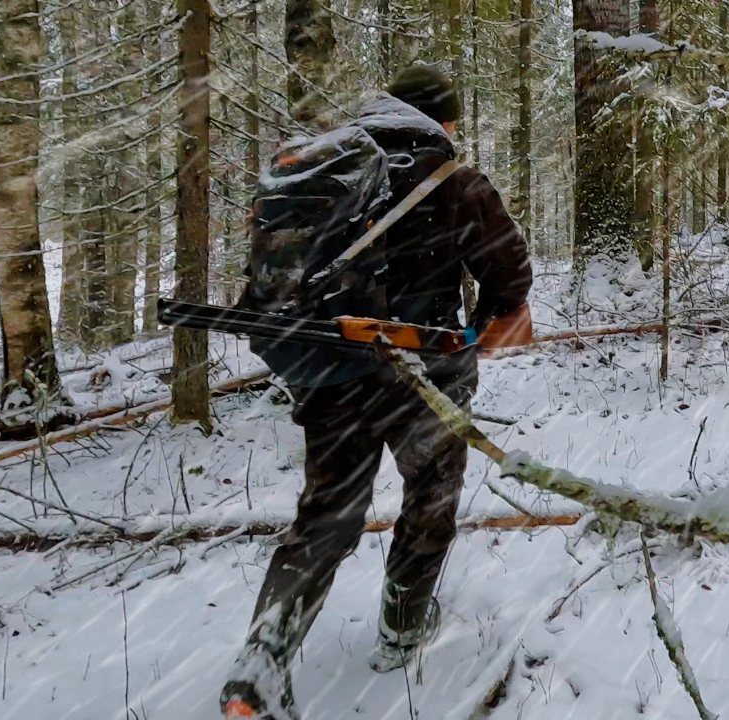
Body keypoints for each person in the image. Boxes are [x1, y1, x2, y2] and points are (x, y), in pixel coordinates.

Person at [221, 65, 532, 720]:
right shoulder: (454, 182)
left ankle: (263, 657)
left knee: (326, 516)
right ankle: (402, 626)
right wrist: (480, 325)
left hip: (331, 375)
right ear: (438, 121)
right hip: (425, 376)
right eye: (452, 122)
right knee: (431, 496)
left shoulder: (322, 173)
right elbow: (510, 277)